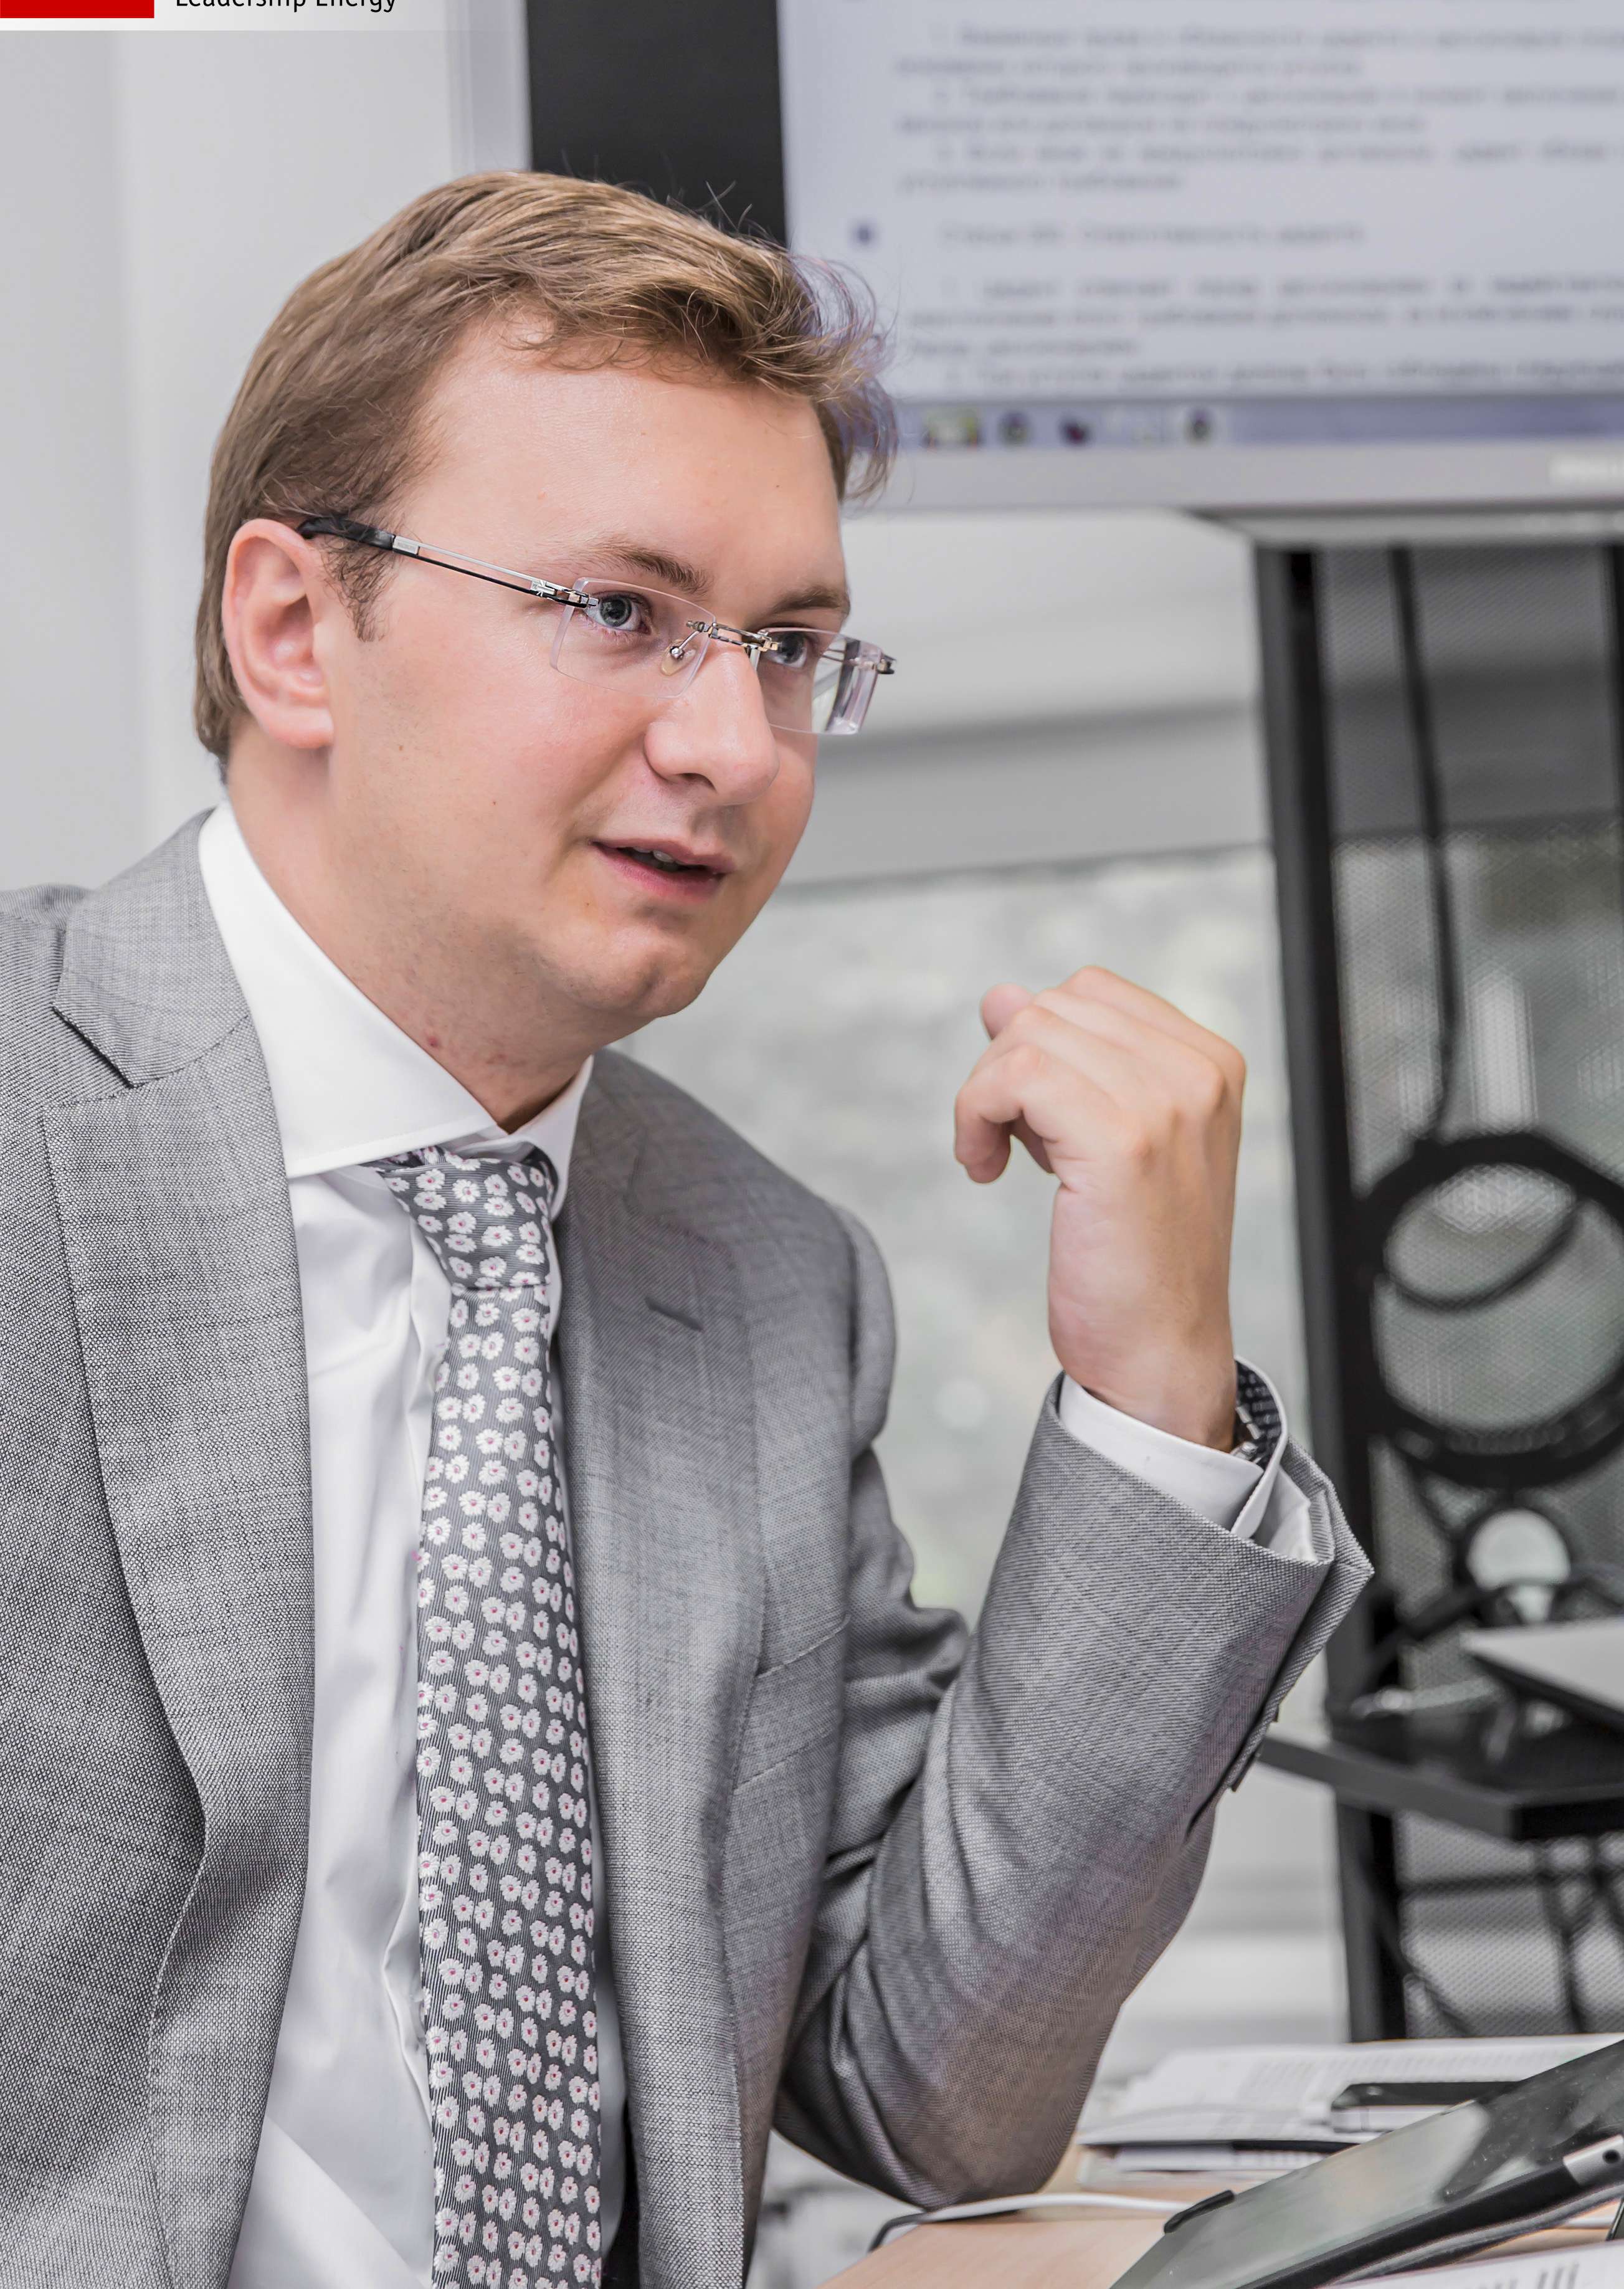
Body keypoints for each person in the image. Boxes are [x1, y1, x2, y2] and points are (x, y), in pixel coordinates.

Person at [0, 172, 1365, 2289]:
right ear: (295, 630)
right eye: (618, 610)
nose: (734, 746)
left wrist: (1153, 1402)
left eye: (791, 650)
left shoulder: (764, 1276)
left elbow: (933, 2087)